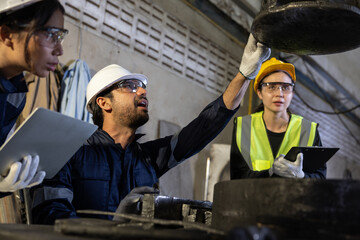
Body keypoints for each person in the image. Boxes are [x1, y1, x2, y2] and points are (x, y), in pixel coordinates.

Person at [31, 34, 271, 224]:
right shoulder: (69, 152)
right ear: (103, 103)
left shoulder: (148, 158)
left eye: (143, 86)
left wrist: (244, 75)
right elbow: (51, 216)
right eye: (131, 86)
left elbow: (204, 127)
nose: (143, 91)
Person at [0, 0, 67, 196]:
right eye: (49, 34)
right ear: (6, 34)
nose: (59, 50)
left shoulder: (15, 91)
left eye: (60, 36)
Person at [230, 57, 326, 180]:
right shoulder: (244, 127)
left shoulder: (308, 130)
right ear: (259, 92)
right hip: (254, 199)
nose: (279, 94)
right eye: (271, 86)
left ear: (292, 94)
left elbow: (320, 178)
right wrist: (269, 172)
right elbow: (237, 178)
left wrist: (301, 176)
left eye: (285, 87)